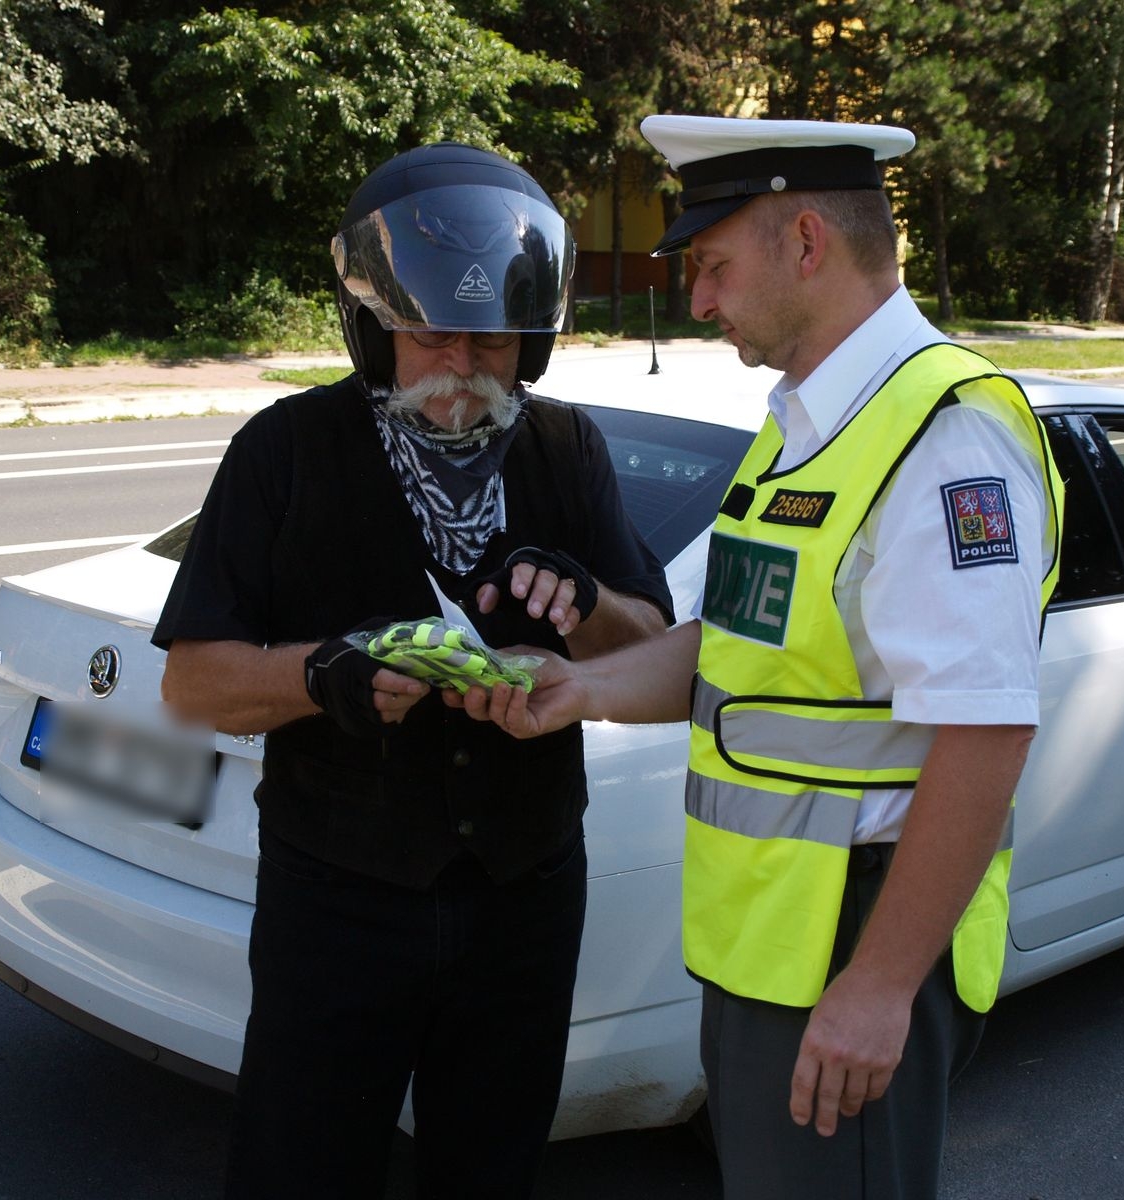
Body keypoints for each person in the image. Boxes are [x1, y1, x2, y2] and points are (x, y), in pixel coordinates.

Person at [454, 115, 1064, 1200]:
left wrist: (878, 986)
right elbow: (730, 647)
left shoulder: (942, 439)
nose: (697, 300)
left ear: (806, 243)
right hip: (770, 952)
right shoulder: (806, 425)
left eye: (711, 265)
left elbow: (986, 730)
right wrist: (581, 687)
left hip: (854, 946)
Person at [152, 142, 673, 1198]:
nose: (461, 362)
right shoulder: (285, 452)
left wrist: (583, 599)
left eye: (491, 338)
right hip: (340, 903)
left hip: (524, 897)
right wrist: (322, 676)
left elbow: (653, 645)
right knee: (299, 1167)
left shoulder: (566, 450)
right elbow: (192, 684)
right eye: (431, 332)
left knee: (490, 1169)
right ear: (373, 329)